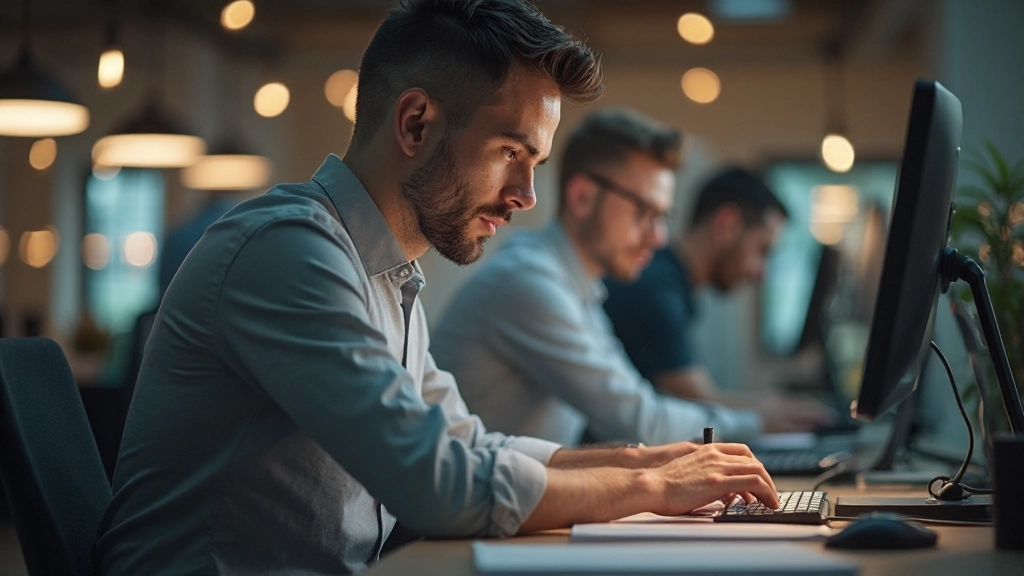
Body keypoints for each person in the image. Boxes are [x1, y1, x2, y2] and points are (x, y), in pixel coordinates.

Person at [95, 3, 778, 574]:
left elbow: (467, 443)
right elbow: (435, 483)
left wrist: (649, 459)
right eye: (511, 153)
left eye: (534, 162)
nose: (526, 195)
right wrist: (650, 486)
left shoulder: (385, 273)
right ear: (416, 122)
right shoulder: (289, 252)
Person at [433, 108, 773, 447]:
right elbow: (642, 423)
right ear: (583, 197)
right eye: (645, 213)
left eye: (662, 218)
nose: (657, 238)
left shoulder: (578, 288)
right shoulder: (528, 285)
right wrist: (758, 423)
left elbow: (633, 413)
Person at [603, 168, 835, 432]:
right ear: (727, 225)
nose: (761, 273)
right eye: (762, 250)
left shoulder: (668, 282)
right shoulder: (655, 290)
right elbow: (696, 400)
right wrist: (771, 412)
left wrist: (772, 406)